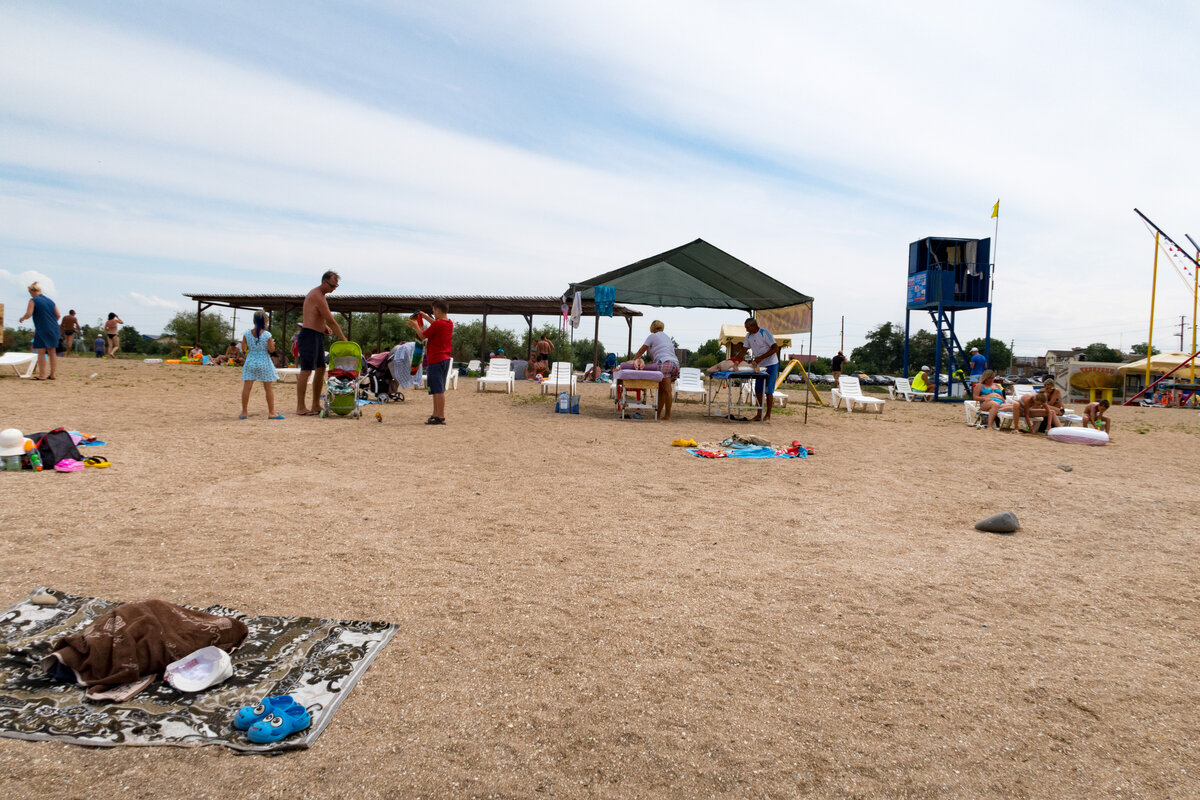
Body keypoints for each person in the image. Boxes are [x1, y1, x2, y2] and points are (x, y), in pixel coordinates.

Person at [296, 270, 345, 416]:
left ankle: (316, 404)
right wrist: (344, 340)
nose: (333, 289)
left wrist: (323, 328)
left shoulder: (321, 296)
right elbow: (331, 320)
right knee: (306, 370)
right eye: (332, 286)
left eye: (336, 286)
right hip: (308, 336)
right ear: (324, 282)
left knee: (321, 368)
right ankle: (300, 407)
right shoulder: (317, 295)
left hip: (317, 335)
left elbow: (316, 315)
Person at [408, 299, 453, 425]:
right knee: (435, 388)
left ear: (437, 310)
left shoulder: (438, 325)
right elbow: (435, 323)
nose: (433, 313)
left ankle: (440, 416)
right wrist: (425, 316)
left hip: (436, 360)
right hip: (444, 359)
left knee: (438, 389)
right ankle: (435, 413)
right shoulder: (449, 323)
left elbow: (422, 336)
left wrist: (415, 325)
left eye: (433, 310)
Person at [631, 320, 681, 421]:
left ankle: (667, 415)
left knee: (667, 391)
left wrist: (634, 360)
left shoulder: (652, 336)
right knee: (662, 390)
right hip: (675, 364)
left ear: (652, 328)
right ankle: (658, 415)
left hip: (665, 363)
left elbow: (642, 350)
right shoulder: (666, 337)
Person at [239, 311, 283, 419]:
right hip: (264, 361)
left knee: (247, 388)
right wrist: (272, 344)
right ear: (264, 322)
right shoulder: (267, 335)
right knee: (268, 389)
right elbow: (271, 350)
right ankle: (272, 412)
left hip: (251, 361)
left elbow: (243, 349)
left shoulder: (246, 334)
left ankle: (244, 412)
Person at [17, 281, 60, 380]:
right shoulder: (50, 301)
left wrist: (22, 318)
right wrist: (52, 323)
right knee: (52, 351)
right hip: (54, 328)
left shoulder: (33, 300)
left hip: (42, 328)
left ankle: (42, 375)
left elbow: (29, 313)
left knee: (41, 352)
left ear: (32, 292)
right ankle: (52, 374)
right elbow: (58, 315)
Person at [742, 317, 780, 422]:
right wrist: (736, 360)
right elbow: (744, 350)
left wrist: (761, 357)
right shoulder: (748, 336)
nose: (747, 330)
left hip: (772, 364)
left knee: (769, 391)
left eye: (748, 327)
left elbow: (775, 348)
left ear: (754, 325)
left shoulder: (765, 333)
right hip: (759, 366)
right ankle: (759, 414)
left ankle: (768, 415)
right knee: (758, 390)